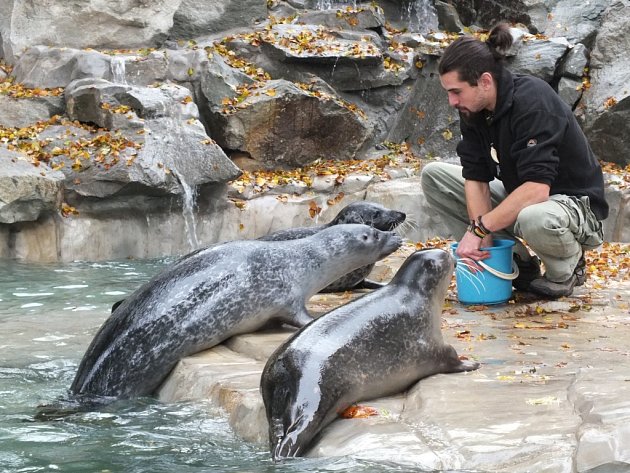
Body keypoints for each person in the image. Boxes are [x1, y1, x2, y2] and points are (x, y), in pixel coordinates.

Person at [420, 22, 609, 298]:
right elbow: (476, 177)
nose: (451, 101)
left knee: (534, 216)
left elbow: (537, 189)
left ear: (485, 81)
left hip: (574, 207)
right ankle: (517, 262)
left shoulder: (532, 101)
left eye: (456, 91)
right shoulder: (474, 111)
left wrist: (479, 227)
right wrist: (481, 237)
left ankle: (566, 269)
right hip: (525, 198)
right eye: (448, 92)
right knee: (434, 176)